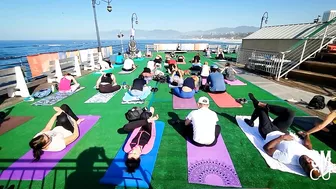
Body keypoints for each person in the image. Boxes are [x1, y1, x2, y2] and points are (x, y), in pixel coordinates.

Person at [244, 93, 331, 179]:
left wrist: (282, 138)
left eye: (307, 163)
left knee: (261, 110)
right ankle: (264, 105)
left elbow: (267, 148)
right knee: (290, 113)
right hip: (280, 130)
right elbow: (308, 146)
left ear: (303, 167)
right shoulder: (310, 156)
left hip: (268, 133)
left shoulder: (287, 158)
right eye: (312, 162)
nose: (310, 160)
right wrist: (307, 135)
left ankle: (252, 119)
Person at [124, 107, 159, 173]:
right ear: (139, 157)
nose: (133, 150)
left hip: (138, 128)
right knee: (144, 116)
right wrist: (152, 122)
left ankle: (146, 116)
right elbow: (153, 136)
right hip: (147, 130)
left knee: (126, 127)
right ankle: (149, 115)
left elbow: (132, 136)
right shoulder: (146, 149)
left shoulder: (126, 149)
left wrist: (139, 125)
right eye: (135, 153)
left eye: (130, 153)